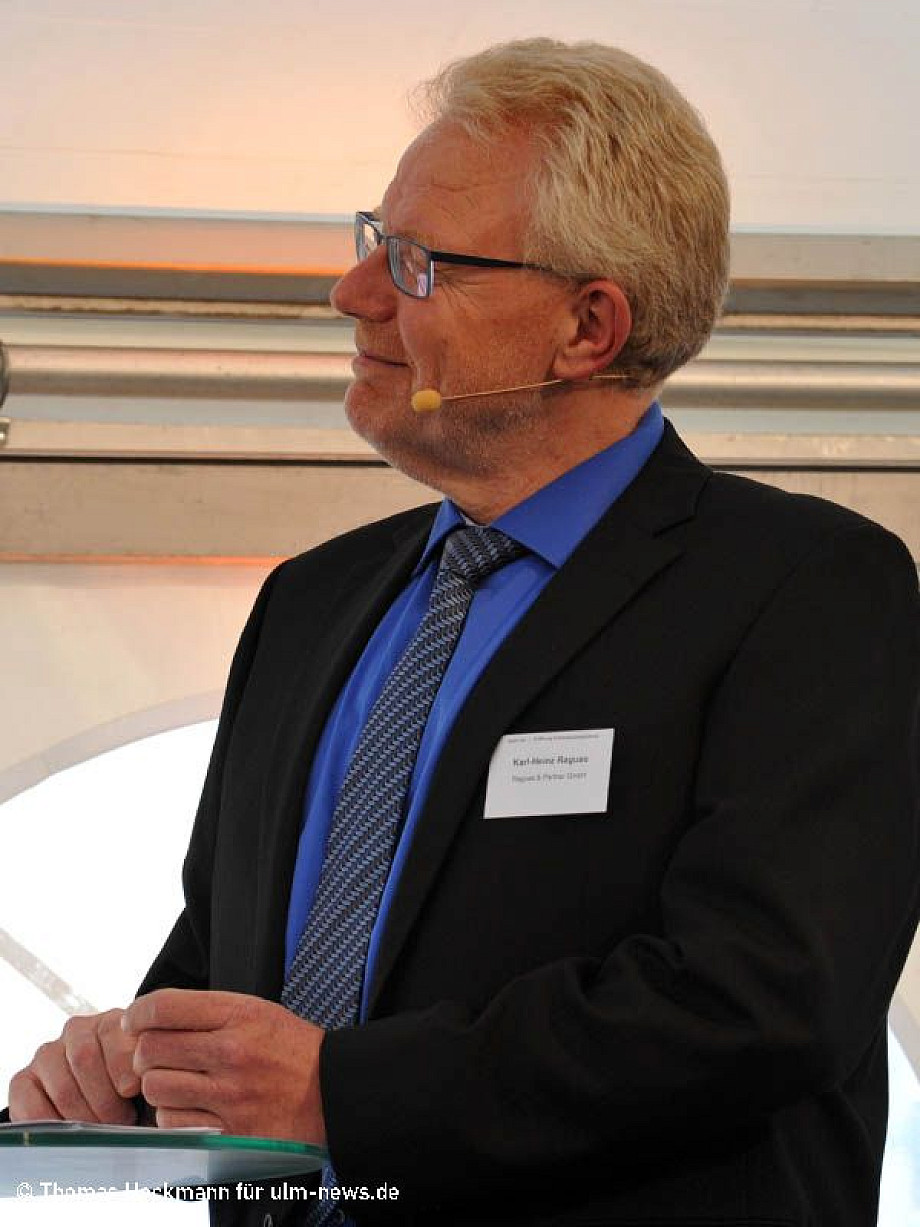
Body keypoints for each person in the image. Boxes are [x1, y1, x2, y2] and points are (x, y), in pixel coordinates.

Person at [6, 37, 920, 1227]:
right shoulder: (311, 602)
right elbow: (228, 974)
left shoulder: (801, 588)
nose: (352, 294)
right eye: (370, 240)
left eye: (417, 262)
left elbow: (760, 998)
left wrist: (342, 1093)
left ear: (587, 327)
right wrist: (130, 1064)